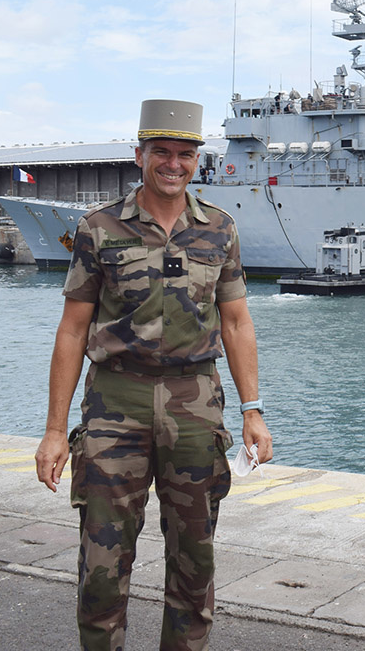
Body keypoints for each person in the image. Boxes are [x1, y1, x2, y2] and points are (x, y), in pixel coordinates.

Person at [34, 99, 274, 651]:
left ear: (197, 160)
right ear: (139, 155)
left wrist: (252, 410)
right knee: (101, 566)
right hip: (114, 404)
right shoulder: (98, 229)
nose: (173, 164)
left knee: (194, 562)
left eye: (185, 154)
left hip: (196, 405)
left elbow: (237, 322)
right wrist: (54, 430)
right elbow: (72, 330)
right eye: (161, 152)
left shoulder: (219, 229)